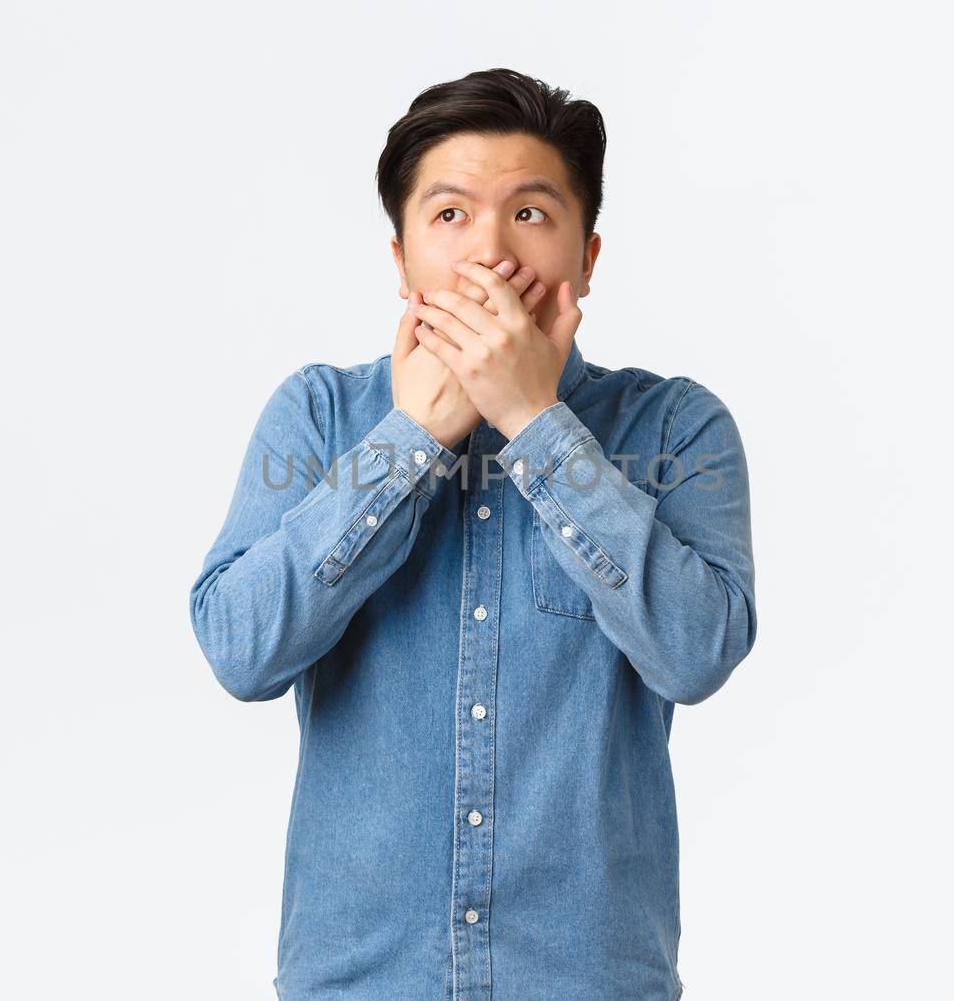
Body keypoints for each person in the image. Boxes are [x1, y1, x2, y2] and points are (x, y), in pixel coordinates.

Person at [188, 67, 757, 1000]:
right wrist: (408, 439)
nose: (490, 253)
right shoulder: (321, 415)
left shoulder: (676, 428)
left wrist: (537, 424)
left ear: (589, 254)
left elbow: (696, 653)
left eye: (530, 213)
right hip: (358, 981)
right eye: (449, 216)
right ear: (402, 258)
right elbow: (242, 651)